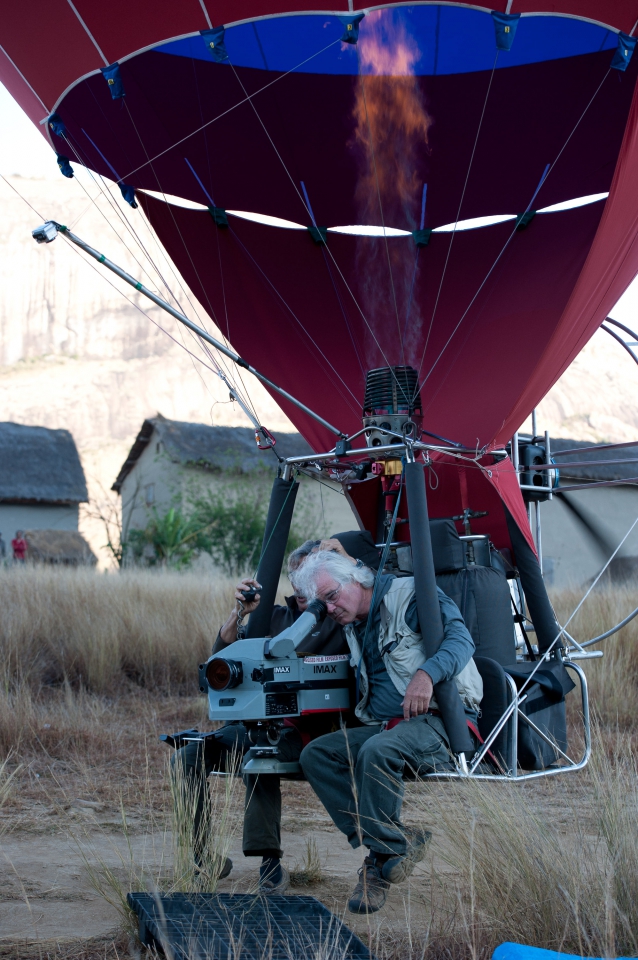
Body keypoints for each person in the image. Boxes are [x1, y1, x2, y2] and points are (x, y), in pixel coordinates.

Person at [171, 529, 380, 893]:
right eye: (296, 578)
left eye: (310, 578)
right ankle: (204, 857)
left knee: (260, 752)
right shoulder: (275, 617)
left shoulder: (341, 616)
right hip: (255, 723)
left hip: (310, 732)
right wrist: (240, 613)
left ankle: (269, 860)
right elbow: (222, 659)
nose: (302, 588)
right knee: (187, 757)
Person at [295, 550, 483, 915]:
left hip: (440, 720)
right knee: (315, 755)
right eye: (323, 604)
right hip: (386, 727)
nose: (330, 608)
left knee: (378, 750)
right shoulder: (351, 622)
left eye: (333, 596)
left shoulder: (410, 596)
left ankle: (378, 860)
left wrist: (427, 674)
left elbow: (461, 641)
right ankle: (395, 842)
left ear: (357, 578)